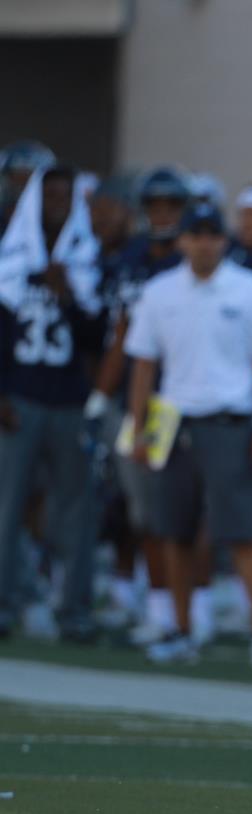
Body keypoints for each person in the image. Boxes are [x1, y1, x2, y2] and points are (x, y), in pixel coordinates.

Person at [124, 201, 252, 668]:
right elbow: (143, 362)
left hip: (229, 421)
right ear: (182, 241)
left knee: (242, 532)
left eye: (211, 235)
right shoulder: (160, 292)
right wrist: (139, 427)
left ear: (224, 240)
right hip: (174, 421)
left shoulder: (248, 289)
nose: (203, 243)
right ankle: (181, 629)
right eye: (195, 235)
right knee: (174, 530)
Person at [0, 165, 104, 641]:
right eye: (50, 196)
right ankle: (7, 603)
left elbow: (99, 337)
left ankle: (73, 609)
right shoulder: (11, 259)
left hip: (69, 399)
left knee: (75, 509)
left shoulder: (87, 260)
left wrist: (69, 299)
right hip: (19, 396)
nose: (57, 204)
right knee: (8, 505)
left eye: (65, 196)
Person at [90, 165, 191, 645]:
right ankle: (155, 605)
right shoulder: (126, 261)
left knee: (179, 512)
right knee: (140, 509)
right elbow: (119, 335)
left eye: (172, 205)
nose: (163, 214)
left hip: (179, 401)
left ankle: (188, 610)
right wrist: (99, 396)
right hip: (137, 400)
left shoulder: (193, 263)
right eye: (155, 205)